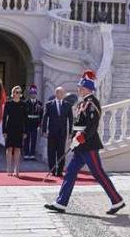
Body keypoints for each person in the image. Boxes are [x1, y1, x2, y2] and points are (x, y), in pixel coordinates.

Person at [45, 70, 125, 215]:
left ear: (88, 88)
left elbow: (91, 126)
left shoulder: (92, 103)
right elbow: (78, 124)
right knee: (70, 173)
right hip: (80, 146)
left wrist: (80, 138)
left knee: (98, 174)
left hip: (89, 146)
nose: (78, 89)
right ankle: (61, 203)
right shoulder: (83, 103)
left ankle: (117, 200)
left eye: (81, 87)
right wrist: (74, 138)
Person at [42, 86, 73, 177]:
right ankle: (52, 170)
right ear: (56, 94)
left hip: (62, 132)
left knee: (61, 152)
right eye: (60, 93)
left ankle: (60, 171)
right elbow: (45, 117)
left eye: (63, 93)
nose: (62, 95)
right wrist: (44, 130)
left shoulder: (67, 105)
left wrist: (71, 132)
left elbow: (70, 119)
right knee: (51, 152)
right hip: (52, 132)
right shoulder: (49, 104)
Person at [3, 86, 26, 176]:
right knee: (9, 148)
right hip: (10, 128)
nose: (17, 94)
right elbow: (5, 118)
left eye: (19, 92)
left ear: (21, 94)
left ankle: (16, 169)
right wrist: (4, 131)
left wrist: (25, 131)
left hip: (19, 129)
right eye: (15, 92)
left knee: (17, 148)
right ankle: (9, 168)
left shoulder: (23, 104)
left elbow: (25, 119)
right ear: (13, 94)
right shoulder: (8, 104)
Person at [22, 85, 43, 160]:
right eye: (31, 93)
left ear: (36, 94)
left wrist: (39, 124)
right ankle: (26, 154)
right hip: (28, 123)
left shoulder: (39, 103)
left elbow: (41, 115)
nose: (33, 95)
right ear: (30, 94)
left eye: (34, 93)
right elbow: (24, 115)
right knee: (26, 139)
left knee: (34, 139)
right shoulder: (26, 103)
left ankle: (32, 154)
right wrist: (23, 125)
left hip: (35, 123)